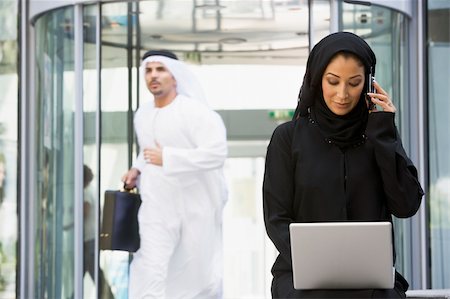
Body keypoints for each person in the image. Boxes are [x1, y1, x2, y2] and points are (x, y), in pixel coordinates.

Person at [262, 31, 424, 298]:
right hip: (301, 275)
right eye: (333, 81)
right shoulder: (288, 138)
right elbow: (276, 218)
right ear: (316, 80)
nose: (342, 94)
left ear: (369, 84)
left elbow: (406, 205)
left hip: (371, 279)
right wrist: (315, 260)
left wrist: (384, 132)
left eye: (355, 82)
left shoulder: (377, 136)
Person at [122, 50, 228, 298]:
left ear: (175, 75)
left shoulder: (195, 112)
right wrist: (137, 168)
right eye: (148, 71)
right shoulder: (143, 114)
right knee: (150, 268)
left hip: (194, 208)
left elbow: (217, 153)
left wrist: (168, 157)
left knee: (194, 274)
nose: (153, 76)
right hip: (156, 206)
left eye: (160, 70)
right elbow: (147, 149)